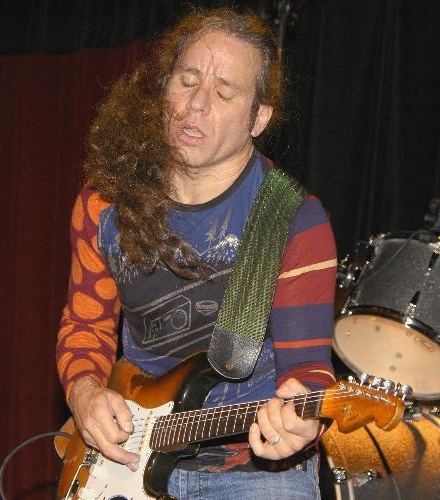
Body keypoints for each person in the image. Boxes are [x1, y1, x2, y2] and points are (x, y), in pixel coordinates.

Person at [55, 8, 337, 499]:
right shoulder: (104, 204)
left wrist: (303, 420)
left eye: (224, 94)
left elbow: (308, 370)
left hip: (255, 473)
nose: (196, 105)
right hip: (127, 458)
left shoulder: (294, 220)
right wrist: (84, 392)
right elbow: (86, 325)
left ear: (258, 118)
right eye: (186, 82)